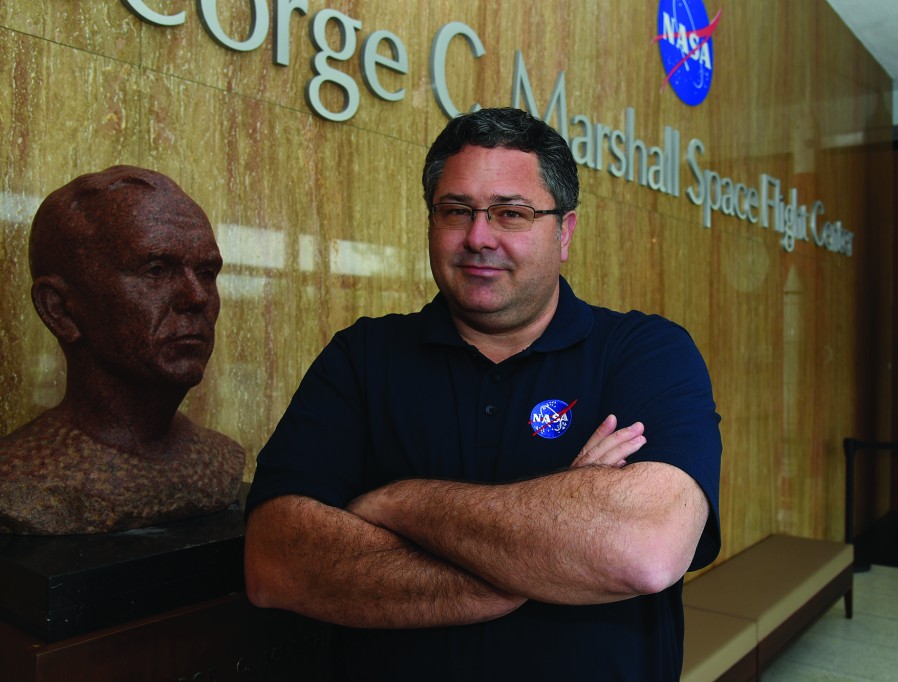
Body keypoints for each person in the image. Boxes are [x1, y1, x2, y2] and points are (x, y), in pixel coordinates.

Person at [244, 108, 721, 681]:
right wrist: (552, 548)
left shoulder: (645, 352)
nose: (477, 237)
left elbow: (645, 549)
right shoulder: (362, 357)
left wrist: (398, 503)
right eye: (455, 211)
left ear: (564, 232)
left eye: (511, 213)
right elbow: (277, 561)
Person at [0, 166, 245, 534]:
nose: (196, 296)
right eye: (156, 270)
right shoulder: (18, 476)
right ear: (60, 310)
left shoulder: (220, 460)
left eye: (207, 272)